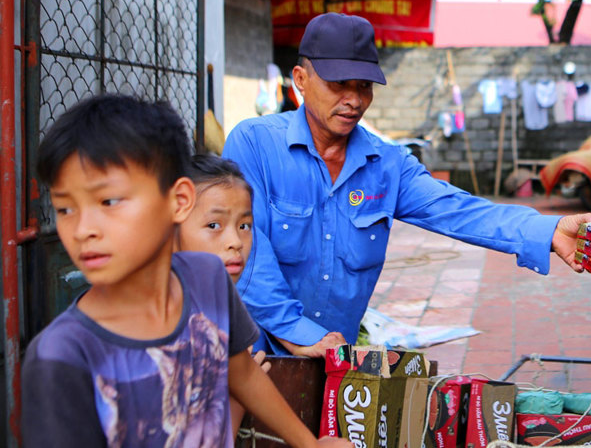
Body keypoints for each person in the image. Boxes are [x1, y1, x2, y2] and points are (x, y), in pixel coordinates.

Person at [223, 12, 591, 356]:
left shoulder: (388, 164)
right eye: (338, 84)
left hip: (334, 358)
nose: (354, 100)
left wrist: (548, 229)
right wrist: (300, 334)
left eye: (364, 86)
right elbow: (246, 252)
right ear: (300, 80)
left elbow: (457, 210)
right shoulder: (254, 144)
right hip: (252, 354)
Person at [21, 94, 352, 448]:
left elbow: (243, 375)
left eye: (108, 201)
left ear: (178, 201)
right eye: (65, 208)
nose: (82, 228)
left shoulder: (207, 278)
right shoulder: (60, 357)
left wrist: (311, 444)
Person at [177, 153, 272, 439]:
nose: (235, 243)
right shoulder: (172, 322)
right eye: (214, 226)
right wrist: (239, 393)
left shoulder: (217, 306)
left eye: (244, 226)